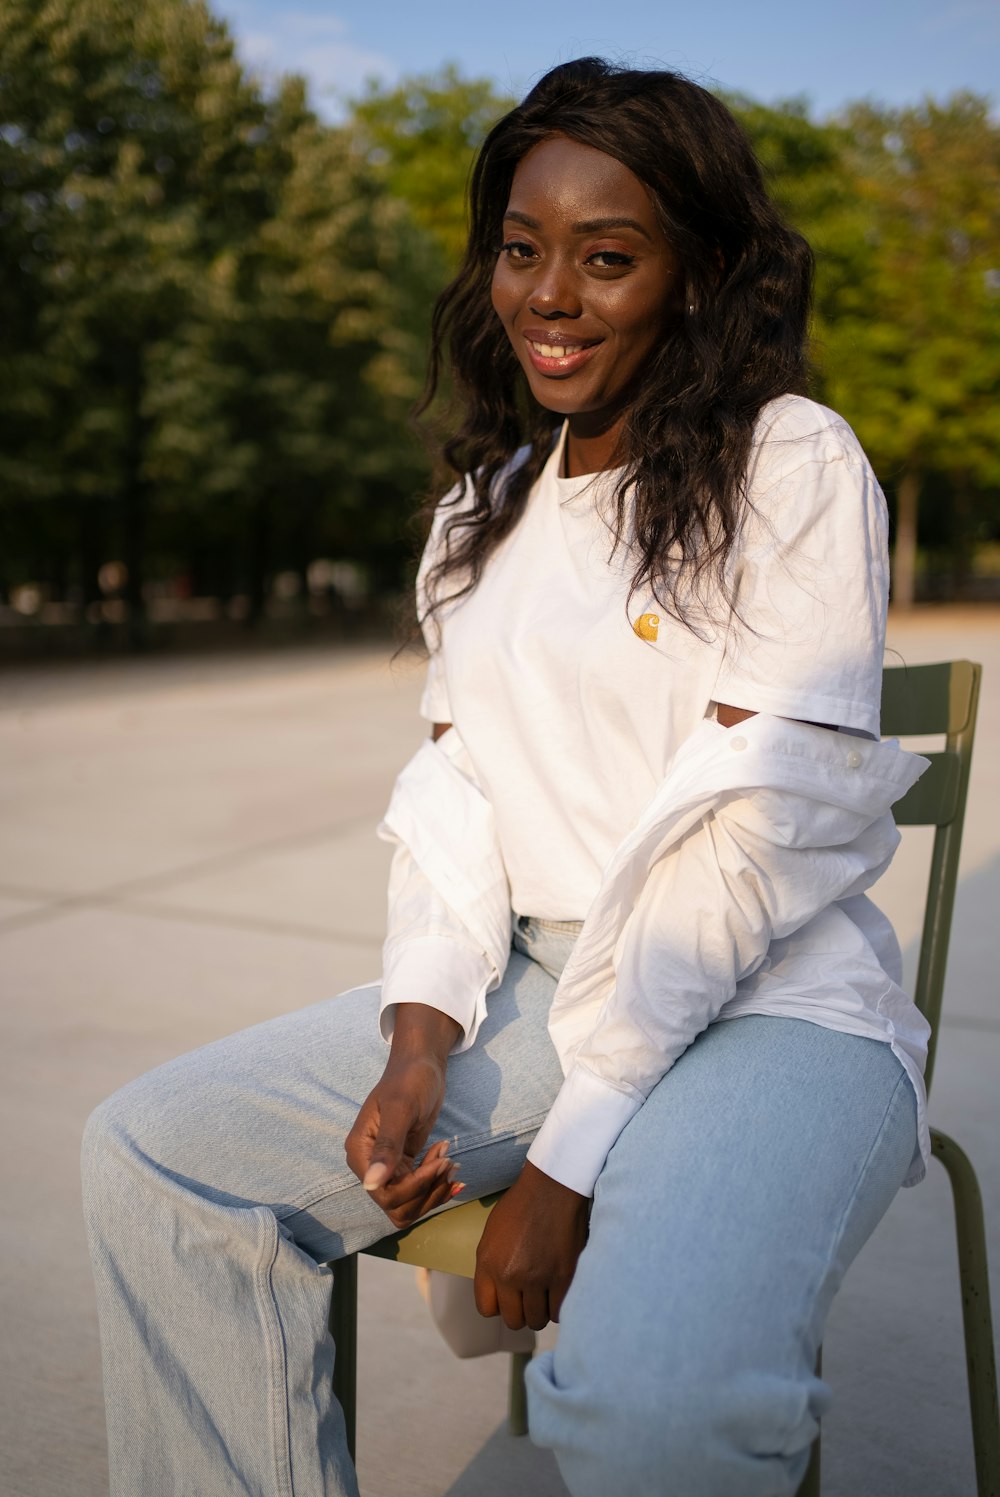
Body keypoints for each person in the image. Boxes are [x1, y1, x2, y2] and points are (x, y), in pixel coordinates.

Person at [82, 57, 931, 1497]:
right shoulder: (479, 513)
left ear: (702, 273)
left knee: (657, 1409)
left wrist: (566, 1161)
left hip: (778, 1004)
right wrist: (418, 1039)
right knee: (159, 1155)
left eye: (609, 258)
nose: (550, 295)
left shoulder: (793, 461)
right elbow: (453, 800)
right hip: (536, 987)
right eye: (521, 250)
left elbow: (749, 844)